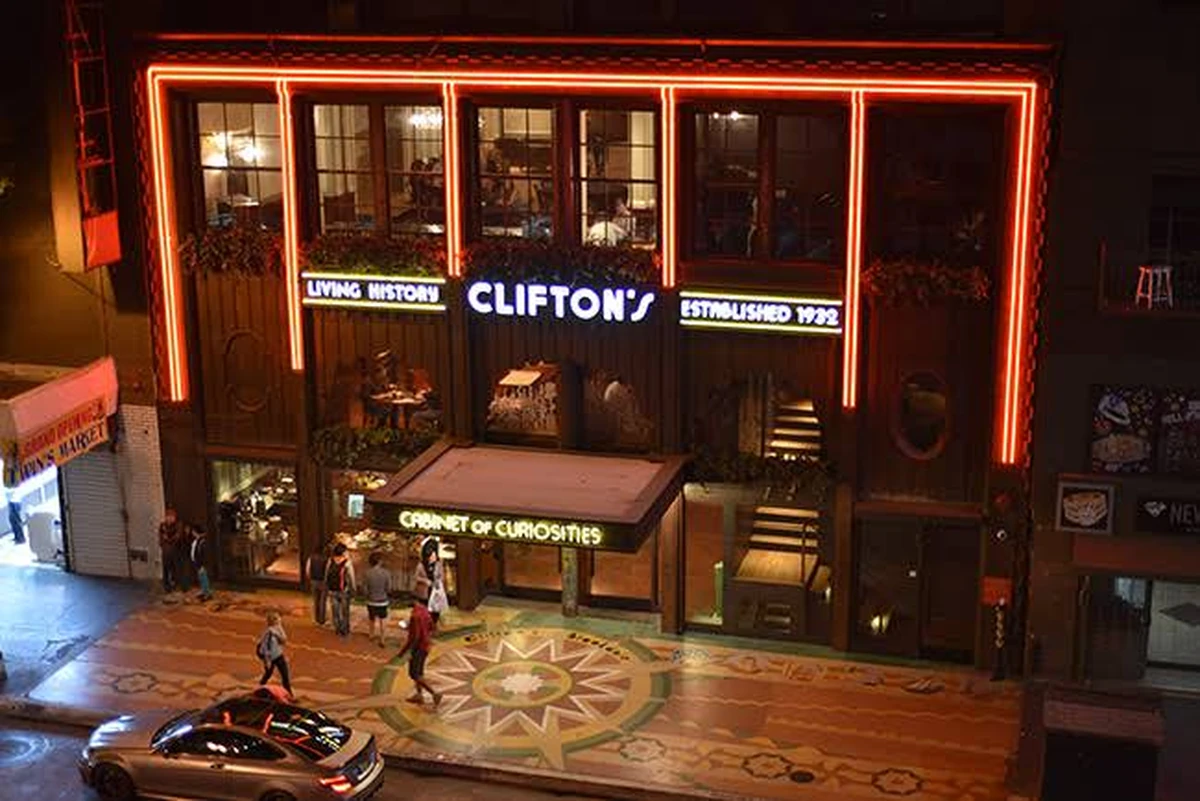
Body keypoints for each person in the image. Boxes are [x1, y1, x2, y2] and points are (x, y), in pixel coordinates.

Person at [395, 596, 441, 708]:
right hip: (426, 645)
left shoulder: (415, 616)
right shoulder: (425, 611)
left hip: (418, 648)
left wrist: (405, 651)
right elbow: (432, 628)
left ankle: (434, 693)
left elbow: (415, 637)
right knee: (419, 672)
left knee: (414, 674)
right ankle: (419, 695)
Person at [256, 610, 292, 699]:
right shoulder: (268, 633)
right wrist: (266, 662)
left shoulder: (279, 628)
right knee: (268, 674)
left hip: (278, 655)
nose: (280, 619)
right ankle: (259, 689)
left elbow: (284, 640)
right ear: (273, 621)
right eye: (278, 618)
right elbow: (264, 648)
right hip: (270, 658)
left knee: (285, 674)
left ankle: (289, 693)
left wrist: (277, 634)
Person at [326, 543, 355, 637]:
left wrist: (327, 587)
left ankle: (337, 628)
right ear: (343, 552)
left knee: (335, 611)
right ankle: (345, 630)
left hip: (332, 590)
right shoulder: (347, 563)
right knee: (345, 612)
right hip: (344, 591)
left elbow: (326, 574)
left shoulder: (330, 561)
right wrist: (353, 589)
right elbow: (351, 577)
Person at [364, 551, 391, 647]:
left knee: (371, 618)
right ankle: (382, 638)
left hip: (371, 600)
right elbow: (388, 588)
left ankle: (371, 634)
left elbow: (365, 588)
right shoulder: (386, 573)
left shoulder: (367, 573)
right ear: (380, 561)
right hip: (382, 601)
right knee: (383, 620)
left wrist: (368, 595)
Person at [157, 508, 184, 593]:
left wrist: (168, 539)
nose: (169, 518)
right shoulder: (163, 526)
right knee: (166, 569)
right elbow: (161, 537)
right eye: (168, 516)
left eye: (171, 517)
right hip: (166, 551)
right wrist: (163, 543)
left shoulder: (178, 525)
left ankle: (176, 585)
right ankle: (167, 586)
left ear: (174, 517)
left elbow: (177, 537)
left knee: (175, 568)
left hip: (175, 551)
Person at [424, 547, 448, 627]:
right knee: (428, 605)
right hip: (428, 587)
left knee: (436, 606)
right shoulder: (426, 565)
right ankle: (429, 621)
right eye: (432, 556)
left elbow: (441, 576)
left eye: (434, 555)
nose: (434, 557)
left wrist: (437, 583)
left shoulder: (438, 565)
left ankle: (434, 622)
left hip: (436, 587)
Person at [307, 543, 330, 626]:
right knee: (323, 601)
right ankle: (322, 620)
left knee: (316, 600)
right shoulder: (327, 559)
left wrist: (310, 579)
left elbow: (307, 570)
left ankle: (316, 619)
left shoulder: (311, 558)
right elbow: (327, 571)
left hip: (314, 581)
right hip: (323, 582)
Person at [190, 526, 212, 601]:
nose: (192, 533)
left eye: (193, 532)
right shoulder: (197, 540)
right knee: (201, 578)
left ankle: (207, 593)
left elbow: (203, 554)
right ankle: (203, 591)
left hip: (201, 563)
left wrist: (202, 565)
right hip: (197, 562)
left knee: (204, 578)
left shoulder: (203, 542)